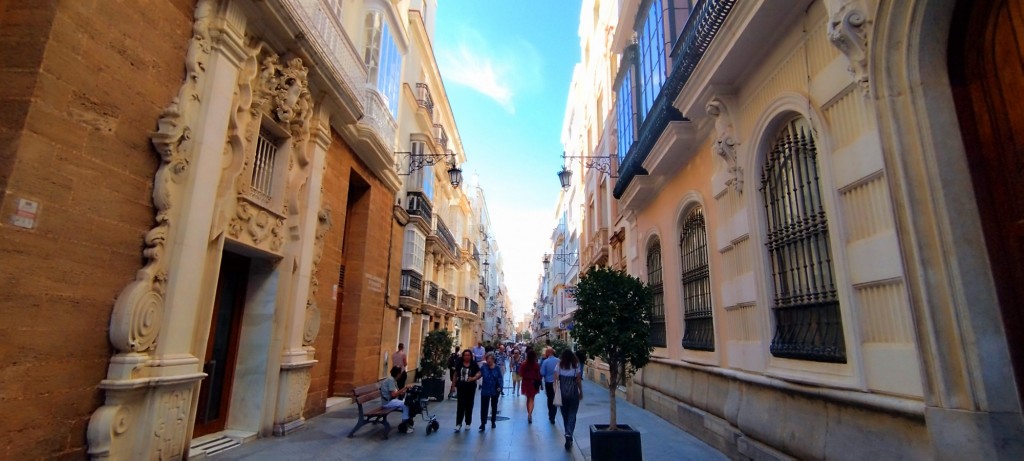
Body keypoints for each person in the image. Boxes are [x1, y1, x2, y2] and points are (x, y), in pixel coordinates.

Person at [555, 349, 583, 449]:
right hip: (573, 393)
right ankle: (568, 434)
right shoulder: (576, 365)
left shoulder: (559, 365)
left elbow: (556, 379)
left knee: (565, 414)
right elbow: (579, 380)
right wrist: (581, 392)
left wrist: (556, 391)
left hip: (562, 393)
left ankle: (568, 433)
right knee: (572, 414)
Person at [451, 349, 481, 432]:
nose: (467, 357)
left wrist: (474, 378)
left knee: (469, 404)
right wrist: (453, 386)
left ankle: (468, 423)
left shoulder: (474, 364)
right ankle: (458, 423)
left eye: (468, 355)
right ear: (463, 356)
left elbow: (479, 373)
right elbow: (455, 374)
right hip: (461, 386)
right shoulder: (460, 364)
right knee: (460, 405)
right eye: (465, 355)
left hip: (471, 387)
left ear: (471, 356)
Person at [380, 366, 415, 433]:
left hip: (390, 401)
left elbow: (397, 393)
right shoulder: (390, 380)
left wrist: (406, 390)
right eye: (400, 373)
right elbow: (393, 394)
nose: (401, 375)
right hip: (387, 402)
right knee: (405, 405)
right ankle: (404, 425)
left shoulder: (393, 380)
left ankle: (406, 422)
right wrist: (404, 388)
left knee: (407, 403)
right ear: (398, 374)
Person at [478, 352, 503, 431]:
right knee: (484, 407)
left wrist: (500, 387)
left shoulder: (497, 368)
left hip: (494, 390)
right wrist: (473, 378)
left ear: (493, 360)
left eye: (490, 359)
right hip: (485, 389)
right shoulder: (484, 367)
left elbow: (500, 378)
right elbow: (479, 374)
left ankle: (493, 421)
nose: (489, 360)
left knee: (494, 406)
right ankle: (483, 423)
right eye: (487, 359)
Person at [519, 349, 542, 423]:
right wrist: (540, 384)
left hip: (526, 382)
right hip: (534, 383)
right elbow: (539, 375)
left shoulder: (524, 364)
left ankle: (528, 413)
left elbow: (520, 374)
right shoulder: (536, 365)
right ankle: (529, 414)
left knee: (528, 398)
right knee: (532, 398)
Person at [539, 347, 560, 424]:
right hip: (556, 383)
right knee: (555, 398)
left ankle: (550, 414)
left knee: (550, 398)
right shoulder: (558, 360)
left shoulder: (545, 362)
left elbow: (542, 373)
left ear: (548, 353)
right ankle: (553, 415)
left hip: (548, 383)